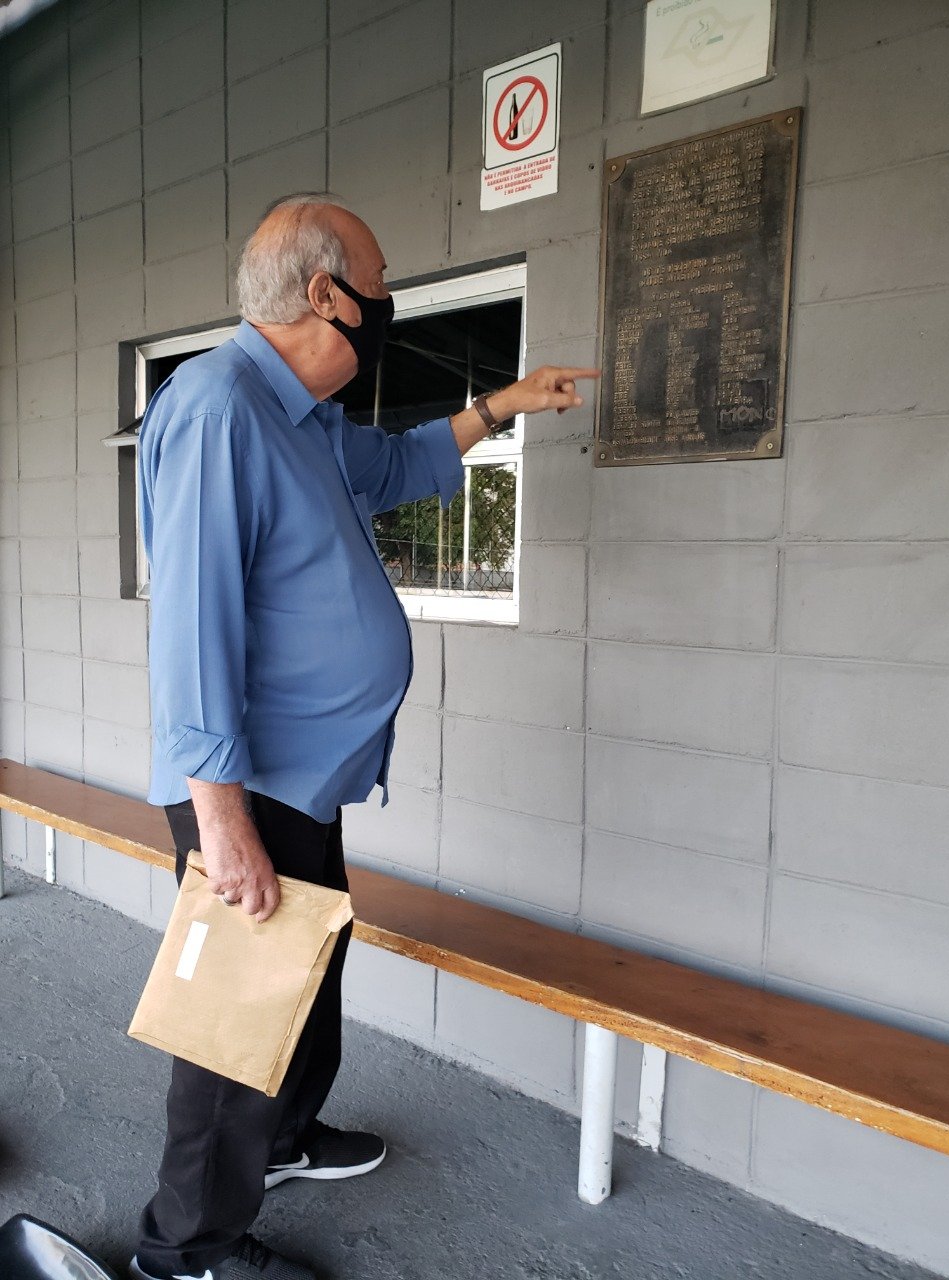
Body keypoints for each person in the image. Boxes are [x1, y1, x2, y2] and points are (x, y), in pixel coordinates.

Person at [130, 194, 599, 1280]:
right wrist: (221, 817)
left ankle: (285, 1141)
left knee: (308, 975)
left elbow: (391, 470)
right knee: (229, 1033)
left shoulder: (303, 414)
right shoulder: (218, 408)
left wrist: (501, 405)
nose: (391, 306)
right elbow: (192, 626)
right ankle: (182, 1249)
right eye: (381, 285)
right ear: (324, 294)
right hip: (245, 784)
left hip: (307, 776)